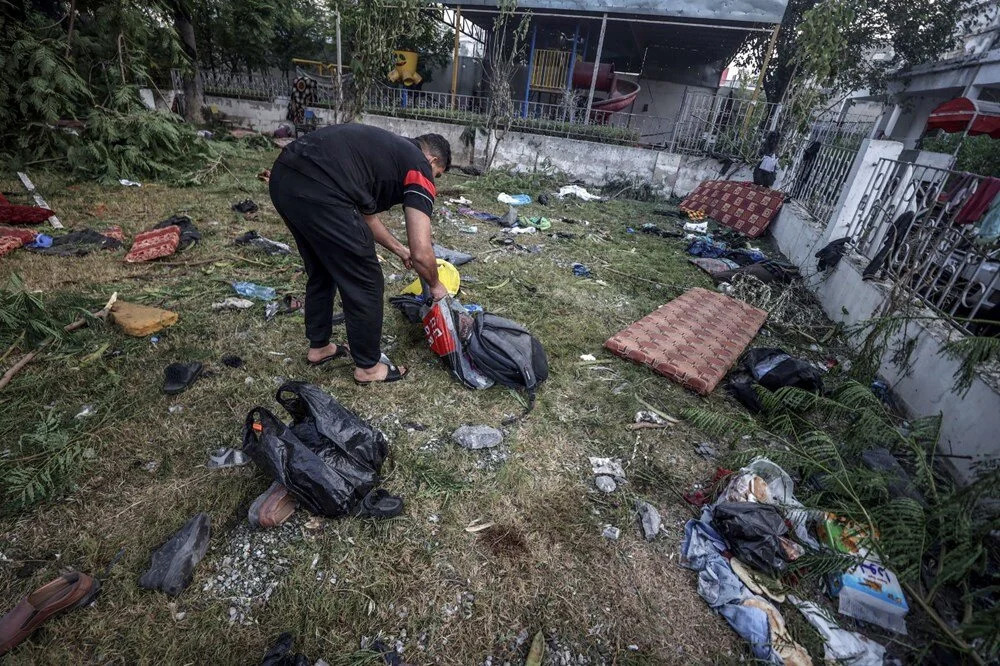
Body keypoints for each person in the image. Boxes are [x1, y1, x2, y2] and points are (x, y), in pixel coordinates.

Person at [268, 124, 451, 384]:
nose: (433, 181)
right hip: (321, 185)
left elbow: (366, 218)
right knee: (366, 278)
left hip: (285, 176)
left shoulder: (386, 151)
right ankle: (368, 367)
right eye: (438, 174)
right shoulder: (418, 165)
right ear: (432, 160)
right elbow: (423, 252)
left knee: (322, 267)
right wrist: (435, 285)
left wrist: (399, 250)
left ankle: (319, 347)